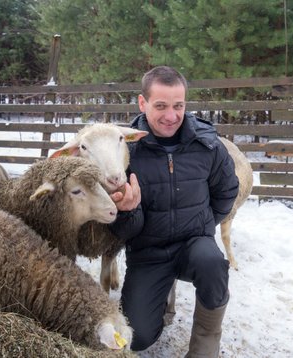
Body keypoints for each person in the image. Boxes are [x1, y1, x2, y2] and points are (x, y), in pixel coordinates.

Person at [109, 66, 239, 357]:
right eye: (161, 106)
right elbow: (123, 232)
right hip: (149, 253)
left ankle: (205, 346)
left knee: (212, 262)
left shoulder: (206, 145)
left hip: (193, 244)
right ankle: (160, 299)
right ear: (142, 104)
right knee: (137, 337)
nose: (171, 116)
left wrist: (204, 224)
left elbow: (227, 190)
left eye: (178, 106)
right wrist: (127, 211)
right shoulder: (126, 151)